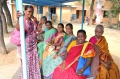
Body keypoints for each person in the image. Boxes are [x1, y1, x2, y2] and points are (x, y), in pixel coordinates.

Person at [16, 5, 41, 79]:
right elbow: (18, 28)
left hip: (33, 45)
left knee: (33, 62)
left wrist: (37, 32)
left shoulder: (31, 20)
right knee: (27, 63)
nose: (30, 13)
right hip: (27, 46)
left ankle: (33, 76)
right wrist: (18, 19)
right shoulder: (22, 20)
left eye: (32, 12)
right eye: (29, 11)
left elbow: (33, 31)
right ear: (25, 11)